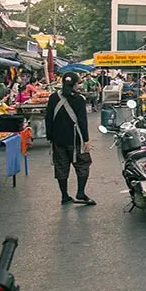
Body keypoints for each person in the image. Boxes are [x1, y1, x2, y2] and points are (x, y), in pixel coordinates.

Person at [44, 72, 95, 206]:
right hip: (75, 139)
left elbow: (48, 118)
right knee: (83, 164)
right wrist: (86, 139)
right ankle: (80, 193)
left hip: (58, 140)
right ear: (75, 84)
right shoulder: (79, 99)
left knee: (61, 167)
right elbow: (82, 122)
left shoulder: (53, 97)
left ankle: (65, 196)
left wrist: (50, 137)